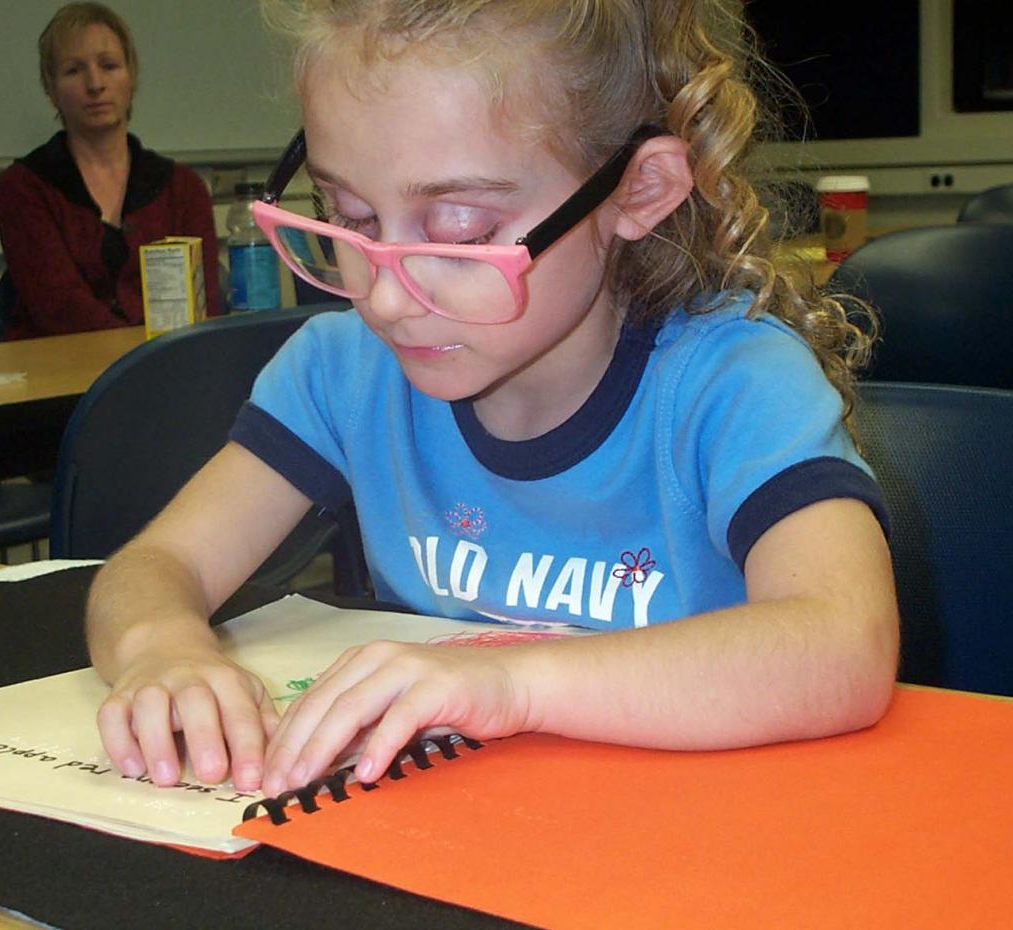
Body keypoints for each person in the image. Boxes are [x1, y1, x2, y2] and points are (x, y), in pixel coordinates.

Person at [85, 0, 899, 798]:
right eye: (349, 216)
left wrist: (508, 684)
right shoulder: (347, 372)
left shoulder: (733, 384)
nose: (385, 298)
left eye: (461, 233)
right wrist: (163, 651)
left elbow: (843, 644)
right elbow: (157, 565)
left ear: (638, 189)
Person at [0, 2, 221, 340]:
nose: (95, 84)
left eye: (109, 66)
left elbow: (205, 309)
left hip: (165, 364)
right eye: (74, 70)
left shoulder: (183, 189)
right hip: (61, 366)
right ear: (51, 90)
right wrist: (134, 357)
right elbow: (59, 309)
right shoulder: (23, 188)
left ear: (131, 77)